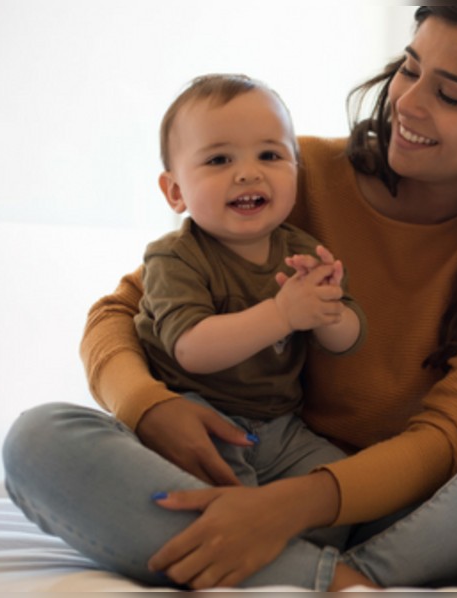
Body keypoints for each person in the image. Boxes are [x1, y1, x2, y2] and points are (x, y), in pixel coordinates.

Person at [3, 6, 457, 592]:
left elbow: (448, 440)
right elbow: (120, 314)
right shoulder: (288, 176)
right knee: (39, 442)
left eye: (450, 96)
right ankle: (353, 582)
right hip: (243, 469)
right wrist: (148, 409)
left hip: (404, 504)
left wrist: (293, 508)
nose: (408, 103)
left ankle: (323, 574)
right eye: (410, 69)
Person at [133, 74, 363, 512]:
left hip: (279, 426)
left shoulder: (300, 251)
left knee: (341, 484)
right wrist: (282, 315)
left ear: (296, 168)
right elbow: (191, 349)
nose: (248, 172)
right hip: (197, 418)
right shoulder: (174, 258)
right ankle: (257, 547)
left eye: (270, 155)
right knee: (228, 503)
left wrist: (329, 311)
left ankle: (295, 546)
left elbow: (347, 341)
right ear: (176, 191)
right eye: (219, 160)